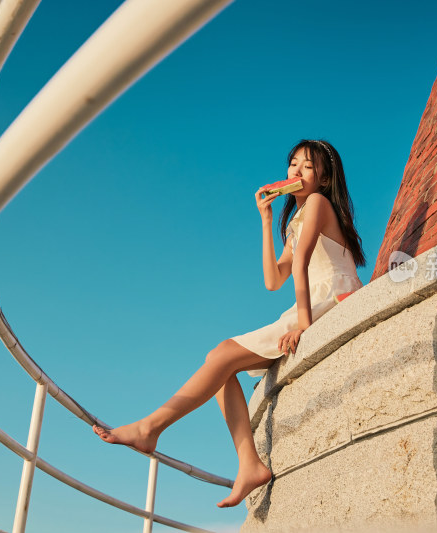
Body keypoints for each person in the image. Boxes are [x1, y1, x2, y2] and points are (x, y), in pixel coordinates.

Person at [93, 139, 366, 507]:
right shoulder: (295, 222)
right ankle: (249, 463)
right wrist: (267, 220)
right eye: (293, 165)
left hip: (328, 300)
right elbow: (273, 280)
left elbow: (301, 265)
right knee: (219, 364)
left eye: (307, 167)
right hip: (308, 302)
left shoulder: (318, 203)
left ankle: (150, 428)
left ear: (324, 177)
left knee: (221, 354)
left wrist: (303, 326)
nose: (296, 172)